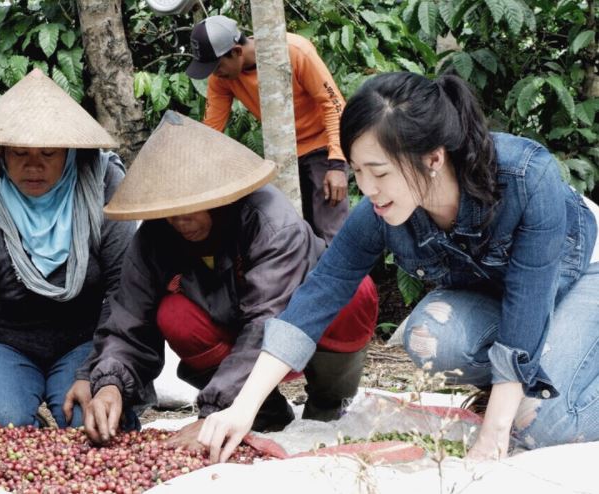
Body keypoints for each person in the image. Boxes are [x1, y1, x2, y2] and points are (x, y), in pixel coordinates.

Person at [197, 72, 599, 463]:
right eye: (357, 172)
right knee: (430, 335)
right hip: (507, 298)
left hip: (582, 275)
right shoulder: (379, 212)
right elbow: (317, 297)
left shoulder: (527, 177)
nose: (368, 188)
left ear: (433, 158)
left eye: (381, 172)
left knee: (545, 429)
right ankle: (522, 391)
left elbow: (527, 305)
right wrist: (242, 407)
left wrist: (494, 435)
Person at [73, 112, 377, 446]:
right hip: (228, 328)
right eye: (170, 213)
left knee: (356, 294)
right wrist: (110, 383)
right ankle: (265, 414)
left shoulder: (271, 222)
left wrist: (213, 411)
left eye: (191, 208)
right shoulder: (155, 236)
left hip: (299, 329)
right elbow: (128, 319)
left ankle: (328, 403)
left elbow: (265, 324)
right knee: (174, 315)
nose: (181, 222)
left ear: (219, 196)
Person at [0, 69, 135, 446]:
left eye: (48, 153)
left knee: (95, 428)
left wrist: (96, 373)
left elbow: (124, 291)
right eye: (20, 153)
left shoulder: (104, 189)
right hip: (5, 344)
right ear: (0, 154)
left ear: (71, 152)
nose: (34, 166)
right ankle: (31, 424)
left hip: (86, 341)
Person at [186, 15, 349, 242]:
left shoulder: (293, 51)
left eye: (217, 65)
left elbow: (334, 105)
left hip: (323, 146)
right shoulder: (222, 78)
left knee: (331, 231)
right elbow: (210, 130)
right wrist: (190, 173)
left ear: (236, 51)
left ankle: (351, 278)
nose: (215, 73)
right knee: (291, 232)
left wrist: (337, 164)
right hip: (281, 152)